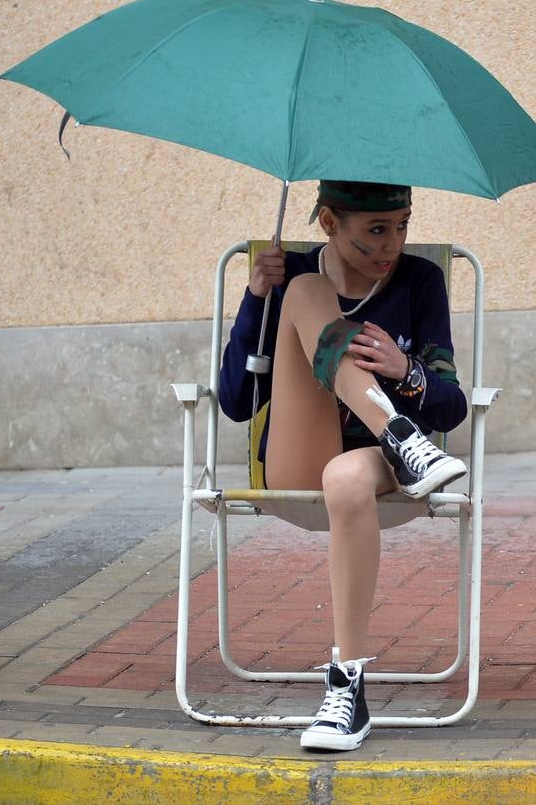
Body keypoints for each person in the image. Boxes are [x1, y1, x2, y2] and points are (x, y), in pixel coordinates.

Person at [219, 179, 468, 751]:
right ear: (330, 223)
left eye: (403, 226)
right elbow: (236, 401)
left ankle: (347, 689)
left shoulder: (419, 281)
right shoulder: (289, 276)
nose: (393, 244)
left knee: (347, 475)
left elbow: (451, 405)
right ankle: (400, 433)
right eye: (376, 231)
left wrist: (406, 368)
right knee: (307, 289)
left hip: (378, 466)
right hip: (301, 457)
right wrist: (257, 299)